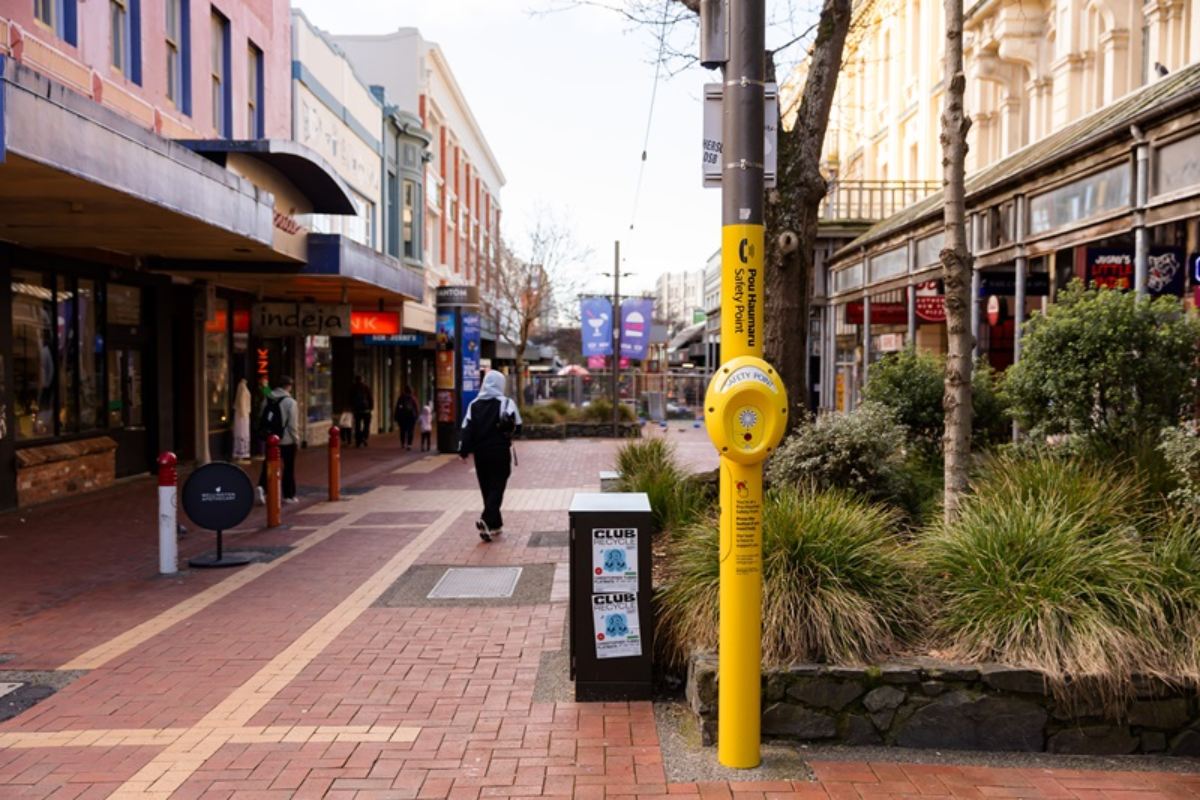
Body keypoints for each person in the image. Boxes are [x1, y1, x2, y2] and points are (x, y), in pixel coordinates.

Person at [459, 371, 521, 542]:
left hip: (481, 454)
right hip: (500, 452)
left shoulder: (474, 405)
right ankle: (486, 519)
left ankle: (495, 525)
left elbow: (467, 429)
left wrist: (463, 452)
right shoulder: (506, 403)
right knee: (497, 486)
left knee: (486, 488)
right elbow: (518, 427)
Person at [256, 376, 300, 505]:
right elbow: (292, 425)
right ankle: (288, 495)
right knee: (288, 467)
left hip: (271, 439)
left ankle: (262, 487)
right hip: (287, 440)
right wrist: (296, 439)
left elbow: (261, 416)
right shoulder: (291, 402)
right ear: (288, 386)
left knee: (268, 464)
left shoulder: (268, 398)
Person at [232, 378, 252, 461]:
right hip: (243, 414)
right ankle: (240, 453)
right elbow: (241, 401)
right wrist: (243, 413)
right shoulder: (242, 387)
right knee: (242, 433)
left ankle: (242, 452)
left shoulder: (242, 387)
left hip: (244, 413)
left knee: (243, 433)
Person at [351, 375, 373, 447]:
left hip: (357, 410)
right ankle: (364, 437)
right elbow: (370, 398)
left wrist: (353, 408)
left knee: (357, 425)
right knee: (366, 425)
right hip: (366, 410)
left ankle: (358, 440)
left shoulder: (353, 387)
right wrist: (371, 407)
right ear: (362, 380)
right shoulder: (366, 387)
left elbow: (350, 399)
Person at [394, 386, 418, 450]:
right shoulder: (413, 398)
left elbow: (397, 408)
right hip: (411, 417)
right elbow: (416, 408)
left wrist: (396, 416)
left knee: (402, 431)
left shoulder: (401, 398)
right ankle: (409, 444)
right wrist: (416, 416)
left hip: (402, 417)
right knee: (410, 431)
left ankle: (403, 443)